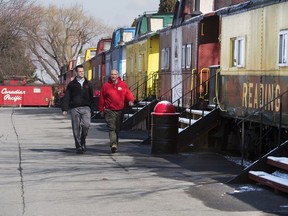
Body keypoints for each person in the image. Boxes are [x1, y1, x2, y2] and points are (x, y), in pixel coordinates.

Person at [98, 69, 134, 153]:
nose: (113, 76)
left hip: (120, 110)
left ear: (118, 75)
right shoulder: (106, 86)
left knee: (117, 129)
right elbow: (101, 99)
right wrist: (101, 110)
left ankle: (115, 144)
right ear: (110, 75)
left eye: (115, 74)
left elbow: (128, 94)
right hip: (109, 110)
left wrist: (130, 100)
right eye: (112, 74)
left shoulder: (123, 84)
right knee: (112, 128)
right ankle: (113, 144)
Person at [62, 65, 94, 154]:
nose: (82, 73)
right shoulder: (71, 84)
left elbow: (91, 96)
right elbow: (67, 96)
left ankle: (83, 141)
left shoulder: (88, 83)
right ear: (76, 72)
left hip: (86, 107)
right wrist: (65, 108)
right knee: (76, 128)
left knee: (86, 125)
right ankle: (78, 146)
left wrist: (92, 108)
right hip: (75, 108)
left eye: (83, 71)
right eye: (80, 71)